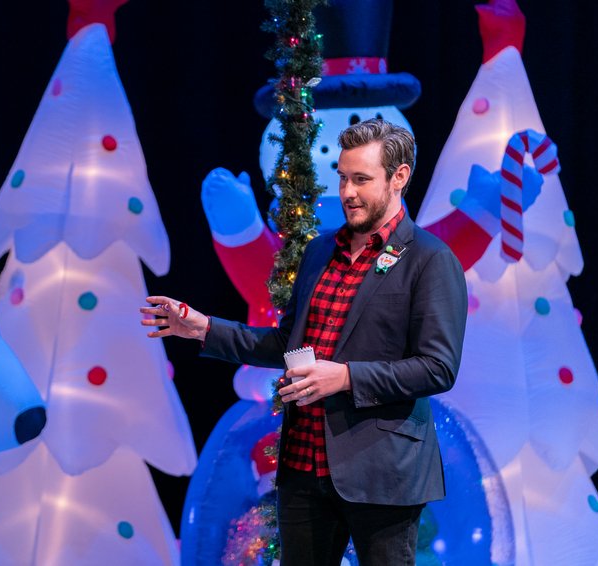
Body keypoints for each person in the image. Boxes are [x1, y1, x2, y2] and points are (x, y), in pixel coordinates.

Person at [141, 119, 467, 566]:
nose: (347, 192)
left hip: (381, 473)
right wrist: (204, 329)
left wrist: (346, 377)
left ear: (400, 177)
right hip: (303, 467)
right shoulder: (318, 252)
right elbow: (285, 343)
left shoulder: (429, 259)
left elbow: (437, 367)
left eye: (361, 180)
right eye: (343, 178)